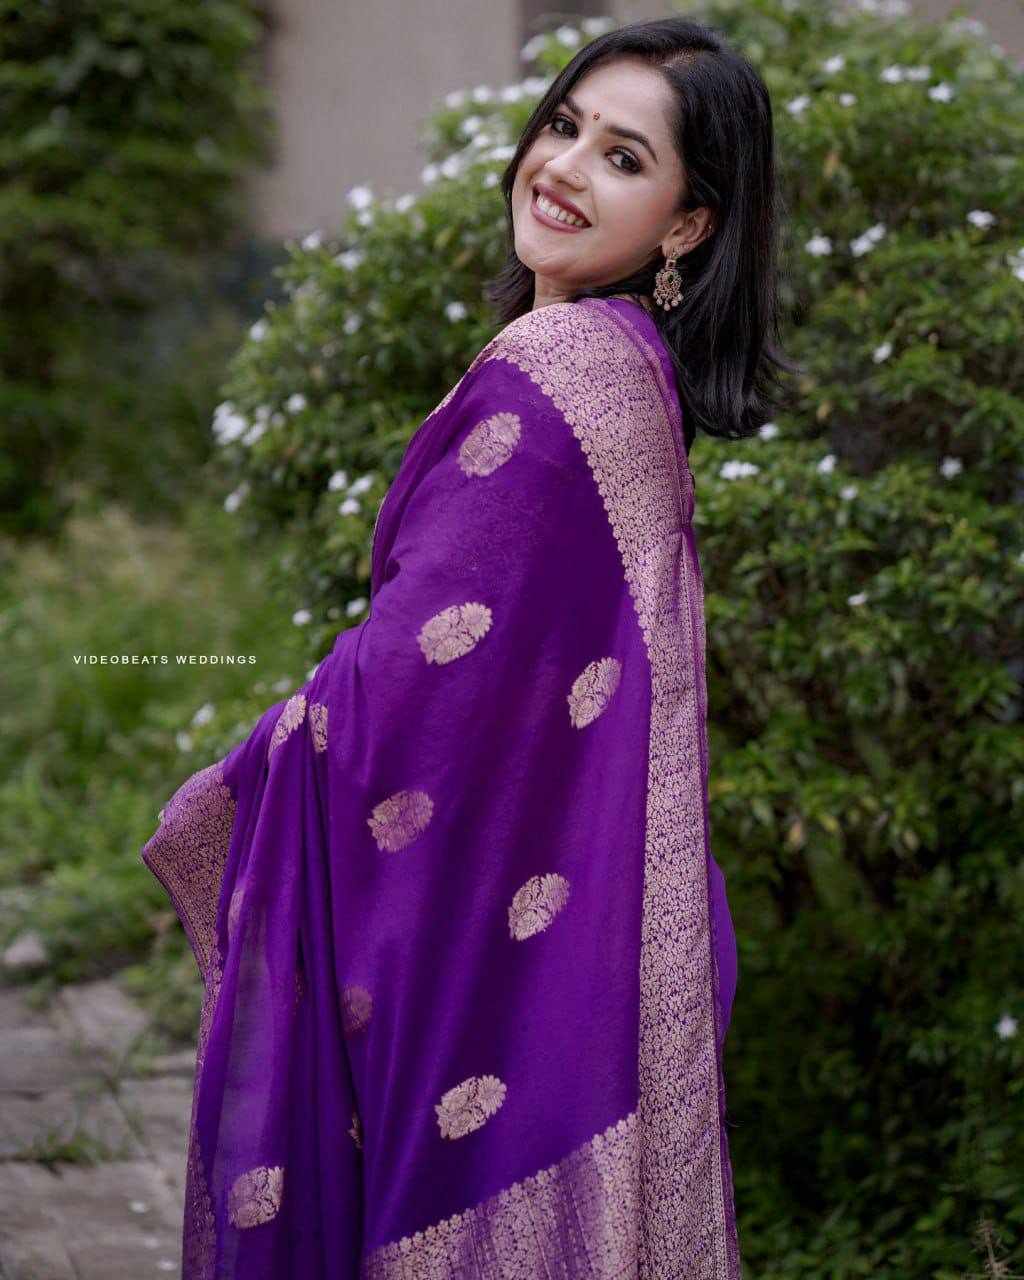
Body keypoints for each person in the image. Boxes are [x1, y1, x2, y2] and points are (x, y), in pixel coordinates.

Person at [142, 16, 793, 1278]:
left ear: (685, 224)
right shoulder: (630, 370)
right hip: (566, 952)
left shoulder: (558, 365)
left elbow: (412, 677)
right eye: (564, 125)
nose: (563, 167)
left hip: (490, 954)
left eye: (622, 157)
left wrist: (247, 774)